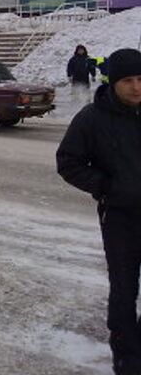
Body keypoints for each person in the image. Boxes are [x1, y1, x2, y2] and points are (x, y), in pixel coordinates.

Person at [56, 48, 141, 375]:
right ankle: (127, 355)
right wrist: (107, 187)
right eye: (128, 81)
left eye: (140, 79)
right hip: (119, 218)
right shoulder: (92, 119)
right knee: (124, 288)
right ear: (114, 82)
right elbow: (68, 163)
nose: (136, 87)